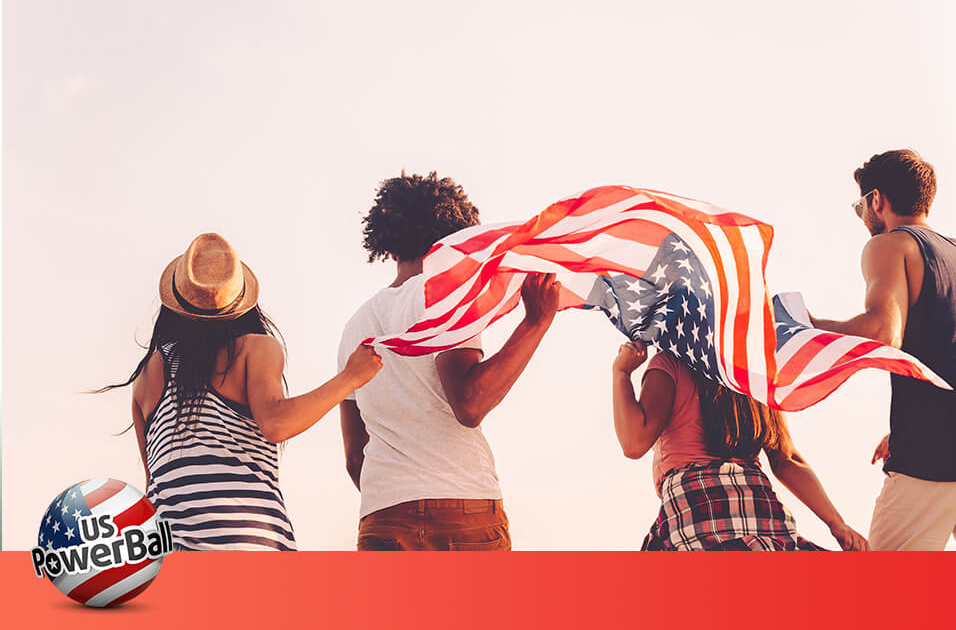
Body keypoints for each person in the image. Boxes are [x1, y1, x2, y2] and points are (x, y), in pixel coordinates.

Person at [102, 232, 382, 550]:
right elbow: (276, 424)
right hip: (248, 547)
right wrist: (350, 378)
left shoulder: (147, 375)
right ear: (241, 301)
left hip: (169, 555)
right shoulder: (254, 349)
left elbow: (156, 482)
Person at [338, 172, 560, 551]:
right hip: (461, 507)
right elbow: (470, 404)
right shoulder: (444, 299)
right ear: (454, 240)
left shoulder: (355, 327)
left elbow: (355, 459)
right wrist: (535, 322)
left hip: (382, 516)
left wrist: (400, 497)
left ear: (389, 246)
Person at [810, 149, 956, 550]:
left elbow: (882, 333)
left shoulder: (891, 245)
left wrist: (803, 326)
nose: (862, 215)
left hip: (937, 456)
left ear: (876, 199)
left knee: (885, 601)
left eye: (859, 205)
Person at [612, 340, 868, 551]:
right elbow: (786, 459)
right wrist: (836, 522)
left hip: (698, 506)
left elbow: (634, 443)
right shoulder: (752, 372)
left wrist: (621, 373)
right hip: (759, 506)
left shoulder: (670, 363)